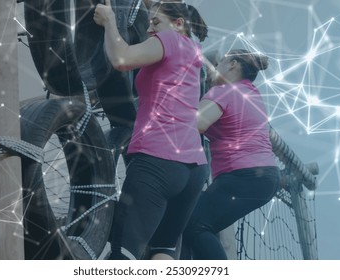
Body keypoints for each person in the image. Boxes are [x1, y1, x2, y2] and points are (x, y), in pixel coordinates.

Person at [94, 0, 209, 260]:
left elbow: (122, 59)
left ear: (178, 24)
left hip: (158, 160)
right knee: (163, 251)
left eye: (155, 22)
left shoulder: (171, 39)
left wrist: (109, 21)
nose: (149, 29)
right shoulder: (193, 52)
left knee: (123, 253)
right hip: (194, 170)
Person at [183, 49, 281, 259]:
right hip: (265, 177)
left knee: (194, 224)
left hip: (243, 176)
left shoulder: (224, 92)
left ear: (233, 65)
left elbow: (196, 123)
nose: (213, 70)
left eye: (218, 64)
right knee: (202, 224)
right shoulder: (251, 93)